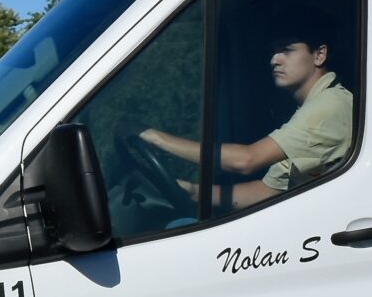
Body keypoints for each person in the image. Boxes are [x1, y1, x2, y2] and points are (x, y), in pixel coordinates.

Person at [139, 26, 353, 212]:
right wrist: (190, 191)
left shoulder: (328, 106)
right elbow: (268, 191)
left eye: (286, 50)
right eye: (272, 51)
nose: (274, 60)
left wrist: (155, 138)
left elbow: (247, 160)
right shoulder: (311, 106)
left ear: (319, 55)